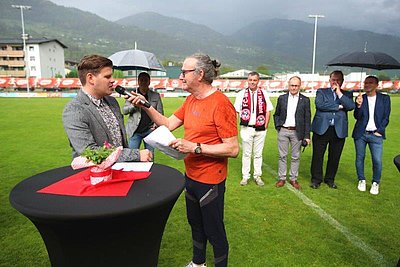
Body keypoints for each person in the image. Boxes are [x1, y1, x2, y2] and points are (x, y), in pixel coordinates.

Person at [127, 53, 239, 267]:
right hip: (191, 175)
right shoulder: (190, 100)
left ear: (200, 74)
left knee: (214, 230)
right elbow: (167, 124)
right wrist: (145, 105)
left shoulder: (221, 104)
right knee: (195, 224)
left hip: (210, 180)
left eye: (184, 72)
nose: (180, 77)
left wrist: (195, 147)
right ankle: (198, 263)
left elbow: (233, 149)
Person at [62, 54, 152, 162]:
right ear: (90, 78)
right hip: (95, 176)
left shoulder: (112, 101)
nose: (113, 80)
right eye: (107, 77)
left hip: (120, 171)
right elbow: (90, 152)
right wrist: (135, 155)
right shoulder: (74, 110)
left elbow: (121, 143)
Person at [310, 70, 355, 189]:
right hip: (322, 128)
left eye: (338, 80)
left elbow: (350, 106)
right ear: (329, 80)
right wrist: (339, 106)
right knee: (318, 155)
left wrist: (339, 93)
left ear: (342, 81)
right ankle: (316, 179)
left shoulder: (347, 94)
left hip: (338, 130)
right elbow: (320, 105)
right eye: (333, 79)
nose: (335, 82)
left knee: (335, 156)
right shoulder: (321, 92)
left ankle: (330, 179)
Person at [234, 71, 273, 186]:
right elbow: (236, 111)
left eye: (254, 80)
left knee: (258, 154)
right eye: (250, 80)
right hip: (246, 128)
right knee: (246, 153)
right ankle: (245, 176)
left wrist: (265, 126)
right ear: (247, 80)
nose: (252, 82)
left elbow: (268, 111)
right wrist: (236, 126)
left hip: (260, 129)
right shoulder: (241, 94)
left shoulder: (264, 93)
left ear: (258, 81)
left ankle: (257, 176)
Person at [352, 76, 391, 195]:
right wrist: (358, 105)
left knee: (377, 160)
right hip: (361, 134)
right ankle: (361, 180)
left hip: (376, 134)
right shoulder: (361, 98)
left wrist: (380, 130)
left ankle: (375, 182)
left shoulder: (384, 99)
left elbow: (386, 117)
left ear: (376, 85)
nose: (367, 85)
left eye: (370, 83)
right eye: (366, 82)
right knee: (360, 158)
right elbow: (357, 117)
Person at [273, 76, 311, 189]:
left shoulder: (305, 100)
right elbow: (277, 114)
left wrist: (307, 136)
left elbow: (307, 118)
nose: (293, 88)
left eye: (296, 85)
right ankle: (282, 178)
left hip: (297, 132)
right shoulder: (282, 98)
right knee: (282, 156)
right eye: (292, 85)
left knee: (296, 157)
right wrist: (278, 126)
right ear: (288, 85)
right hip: (283, 130)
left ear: (300, 86)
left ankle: (293, 179)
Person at [122, 72, 164, 154]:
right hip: (134, 130)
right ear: (138, 81)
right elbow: (124, 111)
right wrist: (134, 106)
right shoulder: (131, 95)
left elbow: (160, 113)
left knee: (149, 157)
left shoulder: (156, 96)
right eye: (141, 80)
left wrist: (156, 124)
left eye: (146, 80)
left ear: (149, 82)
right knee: (131, 157)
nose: (143, 82)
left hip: (149, 131)